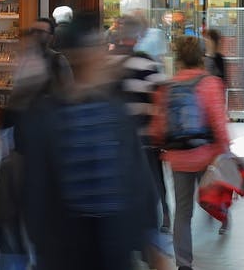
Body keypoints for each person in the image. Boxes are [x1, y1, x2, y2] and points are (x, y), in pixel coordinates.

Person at [16, 14, 159, 269]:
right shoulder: (48, 117)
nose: (103, 53)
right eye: (96, 46)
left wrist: (150, 242)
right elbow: (36, 190)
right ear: (79, 55)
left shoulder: (114, 111)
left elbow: (138, 181)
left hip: (113, 247)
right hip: (68, 248)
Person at [150, 35, 230, 270]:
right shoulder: (211, 83)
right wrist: (225, 152)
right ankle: (221, 216)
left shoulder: (167, 87)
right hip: (208, 156)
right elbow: (218, 123)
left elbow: (158, 128)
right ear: (202, 57)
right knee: (214, 195)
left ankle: (184, 263)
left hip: (178, 159)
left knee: (183, 212)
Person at [113, 15, 171, 234]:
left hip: (123, 136)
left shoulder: (111, 61)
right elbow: (160, 93)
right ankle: (162, 215)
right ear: (138, 36)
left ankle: (135, 220)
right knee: (155, 179)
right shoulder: (147, 62)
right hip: (146, 134)